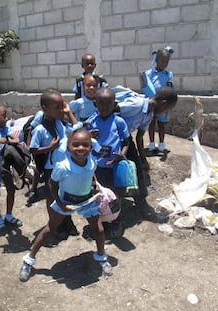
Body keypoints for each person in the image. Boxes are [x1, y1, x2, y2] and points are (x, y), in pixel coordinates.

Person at [19, 128, 113, 282]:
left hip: (86, 200)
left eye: (85, 145)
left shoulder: (92, 161)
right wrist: (60, 203)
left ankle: (101, 256)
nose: (81, 148)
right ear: (68, 146)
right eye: (76, 145)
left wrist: (95, 184)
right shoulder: (63, 166)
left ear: (91, 146)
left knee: (99, 229)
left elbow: (91, 171)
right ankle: (28, 260)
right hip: (66, 200)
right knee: (49, 230)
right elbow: (52, 184)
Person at [114, 86, 178, 222]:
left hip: (125, 139)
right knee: (114, 170)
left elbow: (139, 138)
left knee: (137, 169)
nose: (165, 113)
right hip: (112, 137)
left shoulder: (149, 114)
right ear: (163, 103)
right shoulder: (136, 104)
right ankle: (113, 210)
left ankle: (141, 204)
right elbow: (111, 108)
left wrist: (143, 160)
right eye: (167, 109)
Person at [27, 88, 82, 239]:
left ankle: (67, 222)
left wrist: (69, 113)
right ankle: (55, 225)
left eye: (62, 105)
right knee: (52, 197)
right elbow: (32, 149)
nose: (61, 110)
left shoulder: (61, 124)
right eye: (57, 107)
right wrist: (49, 148)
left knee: (66, 195)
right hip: (51, 170)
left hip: (65, 167)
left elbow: (77, 130)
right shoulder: (40, 129)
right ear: (45, 108)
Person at [86, 88, 130, 238]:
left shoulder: (119, 121)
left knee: (114, 196)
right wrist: (88, 135)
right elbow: (82, 141)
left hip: (113, 167)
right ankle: (101, 223)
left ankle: (116, 222)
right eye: (101, 103)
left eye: (108, 103)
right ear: (95, 104)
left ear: (114, 104)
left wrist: (122, 155)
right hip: (96, 168)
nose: (105, 107)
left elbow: (126, 141)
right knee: (98, 196)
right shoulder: (91, 121)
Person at [143, 47, 175, 153]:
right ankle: (152, 143)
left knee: (162, 124)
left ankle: (161, 144)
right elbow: (146, 86)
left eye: (167, 61)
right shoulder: (149, 74)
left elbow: (170, 88)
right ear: (156, 60)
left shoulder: (168, 75)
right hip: (152, 102)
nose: (164, 63)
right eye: (162, 61)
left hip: (163, 104)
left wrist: (169, 103)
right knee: (151, 123)